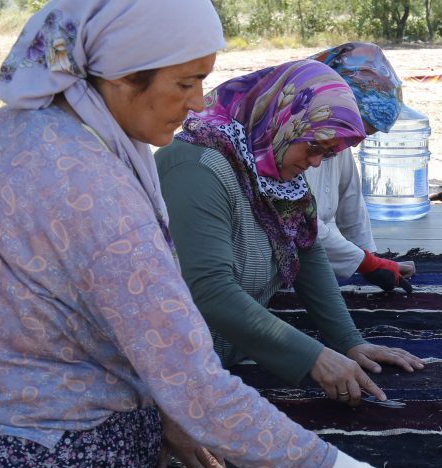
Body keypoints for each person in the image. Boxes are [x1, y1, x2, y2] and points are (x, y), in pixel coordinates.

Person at [0, 3, 442, 468]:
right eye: (184, 83)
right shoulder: (90, 185)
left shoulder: (24, 132)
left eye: (204, 79)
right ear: (120, 78)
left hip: (13, 442)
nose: (198, 101)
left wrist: (160, 405)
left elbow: (91, 314)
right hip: (50, 467)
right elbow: (200, 381)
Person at [156, 60, 425, 408]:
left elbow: (308, 249)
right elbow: (210, 290)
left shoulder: (269, 167)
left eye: (326, 154)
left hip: (224, 356)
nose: (316, 163)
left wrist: (349, 341)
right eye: (314, 147)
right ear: (283, 118)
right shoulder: (198, 168)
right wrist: (314, 358)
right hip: (173, 368)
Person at [304, 42, 415, 290]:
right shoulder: (293, 143)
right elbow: (302, 224)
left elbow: (350, 203)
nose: (355, 142)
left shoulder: (337, 139)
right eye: (360, 127)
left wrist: (373, 259)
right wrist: (367, 264)